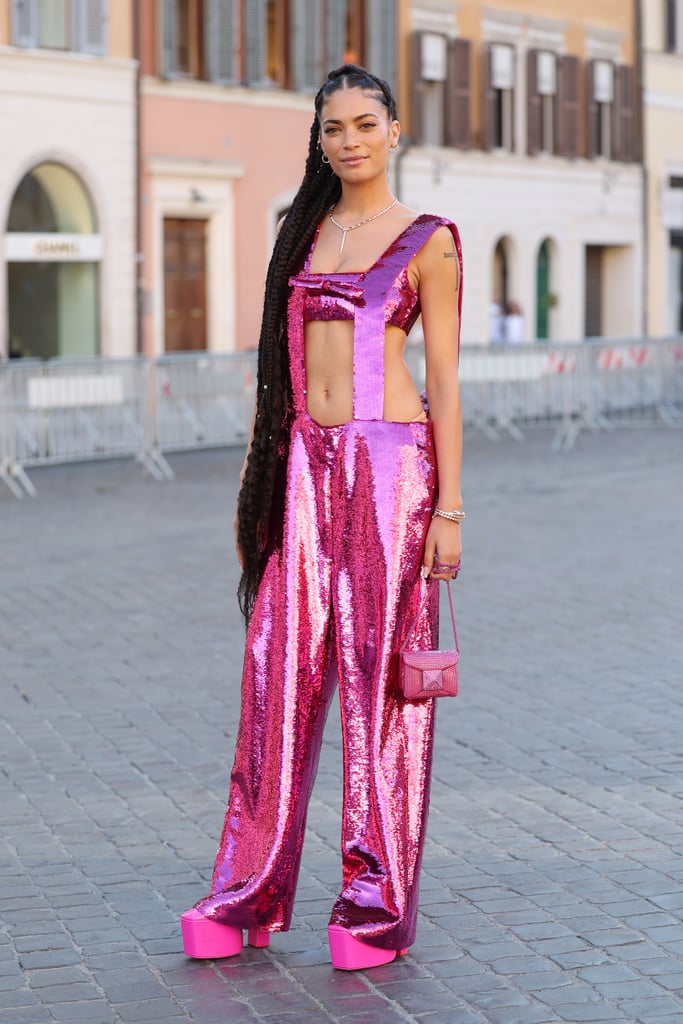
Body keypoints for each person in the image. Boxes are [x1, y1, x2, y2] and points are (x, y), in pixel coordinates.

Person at [180, 64, 464, 971]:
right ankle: (246, 891)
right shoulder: (300, 234)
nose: (347, 139)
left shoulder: (429, 239)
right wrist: (265, 479)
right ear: (319, 138)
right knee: (277, 679)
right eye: (331, 126)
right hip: (306, 465)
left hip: (393, 470)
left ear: (393, 130)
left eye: (363, 122)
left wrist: (448, 511)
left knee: (381, 689)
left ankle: (373, 905)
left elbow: (449, 384)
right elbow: (277, 373)